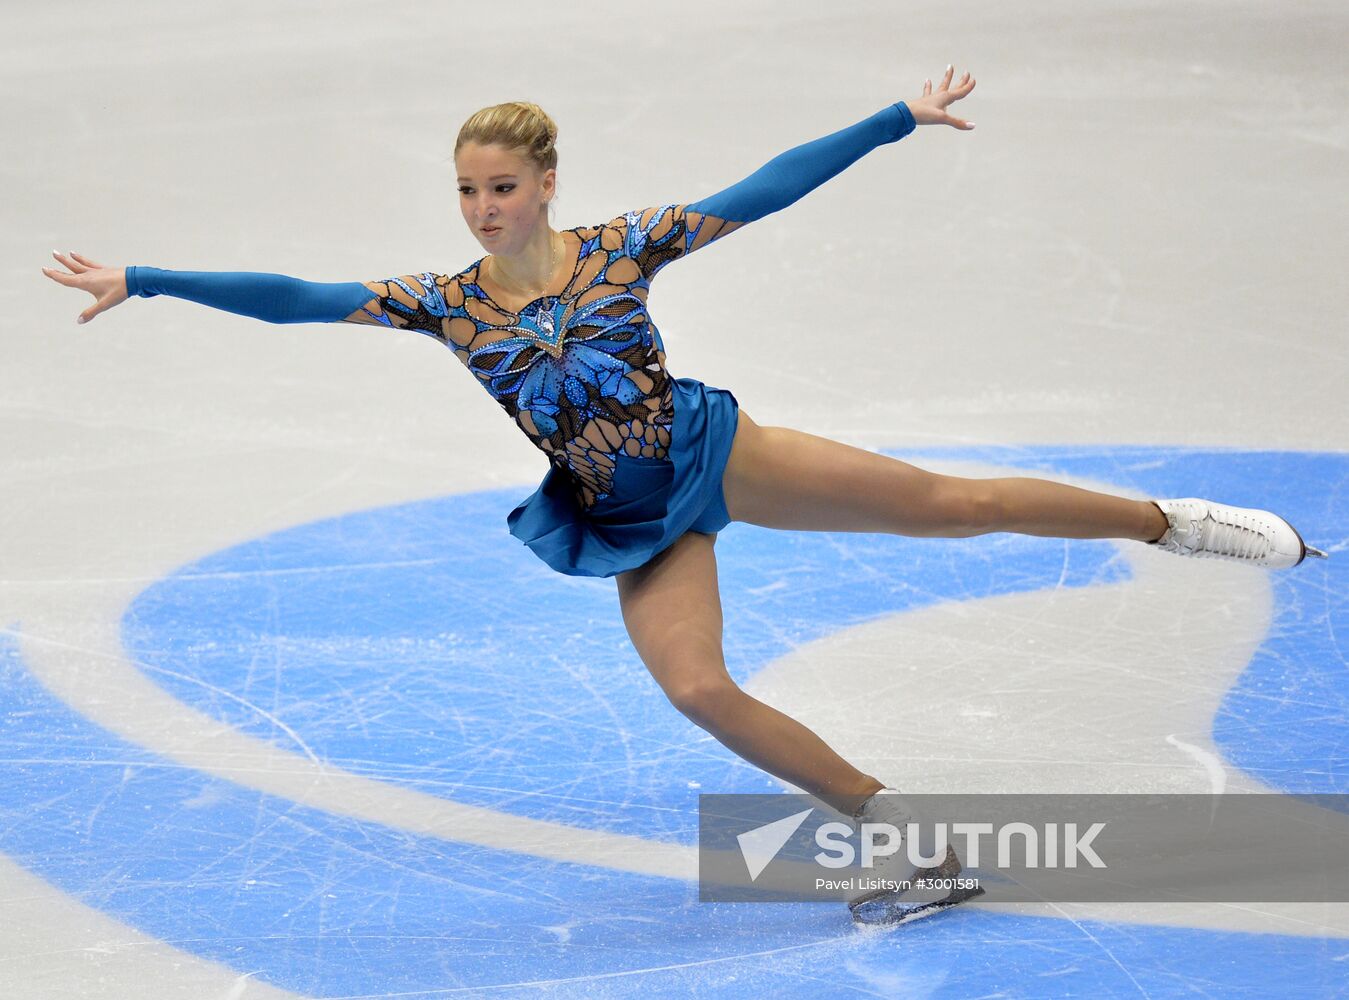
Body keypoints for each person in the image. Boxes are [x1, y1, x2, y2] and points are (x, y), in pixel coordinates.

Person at [41, 65, 1327, 926]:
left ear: (545, 181)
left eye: (501, 187)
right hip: (626, 518)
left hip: (715, 449)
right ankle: (916, 841)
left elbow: (757, 192)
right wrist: (149, 276)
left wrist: (890, 120)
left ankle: (1177, 526)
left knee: (952, 501)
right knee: (698, 690)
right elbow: (297, 297)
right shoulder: (441, 305)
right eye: (466, 192)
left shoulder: (619, 249)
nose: (483, 209)